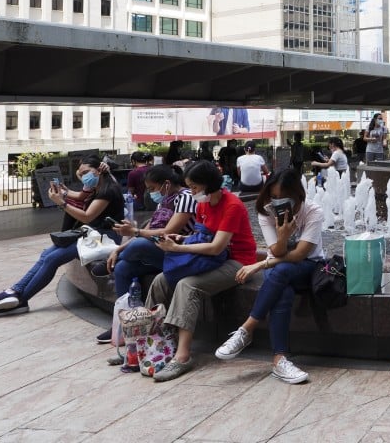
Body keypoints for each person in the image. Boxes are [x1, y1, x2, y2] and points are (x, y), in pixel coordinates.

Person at [145, 160, 259, 382]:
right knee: (161, 279)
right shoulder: (202, 204)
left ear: (208, 184)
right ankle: (149, 340)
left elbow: (217, 246)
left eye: (194, 187)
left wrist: (178, 247)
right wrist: (182, 238)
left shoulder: (232, 205)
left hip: (237, 262)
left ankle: (183, 355)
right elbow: (202, 237)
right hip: (210, 259)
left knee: (188, 285)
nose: (191, 191)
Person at [214, 170, 324, 384]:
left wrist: (261, 264)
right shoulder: (266, 212)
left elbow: (301, 254)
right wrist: (283, 235)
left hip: (309, 268)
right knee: (283, 289)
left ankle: (246, 329)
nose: (277, 202)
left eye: (283, 197)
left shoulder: (313, 211)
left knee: (280, 272)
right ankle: (279, 360)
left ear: (298, 194)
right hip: (280, 272)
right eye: (273, 196)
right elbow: (278, 250)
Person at [0, 156, 123, 316]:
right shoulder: (97, 185)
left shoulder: (108, 190)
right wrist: (65, 192)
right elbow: (81, 195)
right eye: (81, 173)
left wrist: (62, 202)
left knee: (54, 258)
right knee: (47, 253)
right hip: (92, 235)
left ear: (99, 170)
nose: (83, 176)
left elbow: (87, 216)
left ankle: (21, 299)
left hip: (104, 238)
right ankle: (15, 290)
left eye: (86, 172)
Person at [98, 164, 197, 344]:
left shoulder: (186, 198)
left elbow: (167, 231)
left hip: (179, 252)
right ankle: (126, 324)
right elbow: (149, 228)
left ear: (166, 184)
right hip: (158, 251)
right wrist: (118, 249)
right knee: (122, 268)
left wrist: (135, 232)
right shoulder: (164, 200)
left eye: (152, 188)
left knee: (140, 244)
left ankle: (108, 264)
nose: (151, 193)